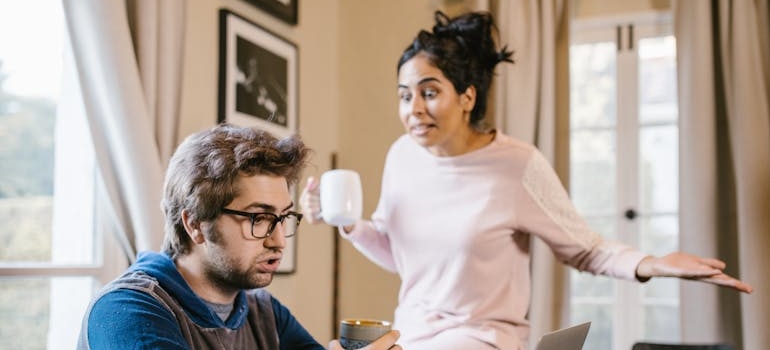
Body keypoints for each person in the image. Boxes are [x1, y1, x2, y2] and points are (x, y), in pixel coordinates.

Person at [299, 11, 754, 350]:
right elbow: (403, 254)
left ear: (467, 96)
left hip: (483, 339)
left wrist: (651, 263)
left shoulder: (517, 164)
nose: (413, 109)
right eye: (404, 95)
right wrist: (348, 223)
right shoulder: (402, 156)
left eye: (429, 92)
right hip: (410, 335)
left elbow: (587, 248)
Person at [77, 124, 401, 350]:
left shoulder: (264, 313)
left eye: (283, 218)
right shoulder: (126, 310)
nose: (279, 241)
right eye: (259, 218)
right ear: (196, 224)